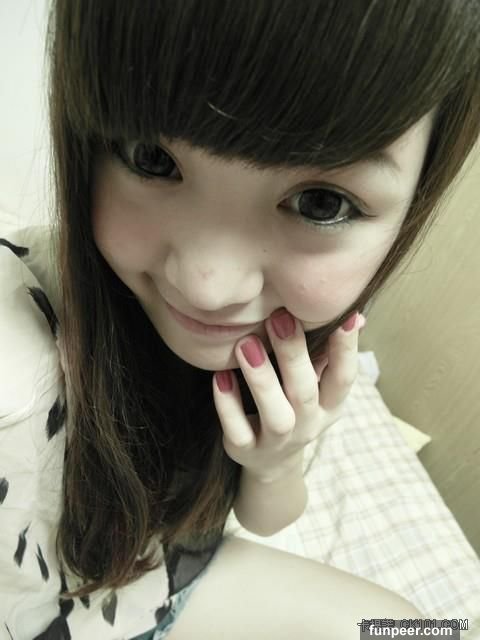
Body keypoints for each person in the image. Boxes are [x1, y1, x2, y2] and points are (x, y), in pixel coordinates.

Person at [1, 0, 479, 638]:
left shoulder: (291, 358)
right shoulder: (19, 348)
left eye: (320, 202)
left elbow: (264, 518)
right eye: (151, 158)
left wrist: (275, 459)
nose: (207, 285)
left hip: (164, 574)